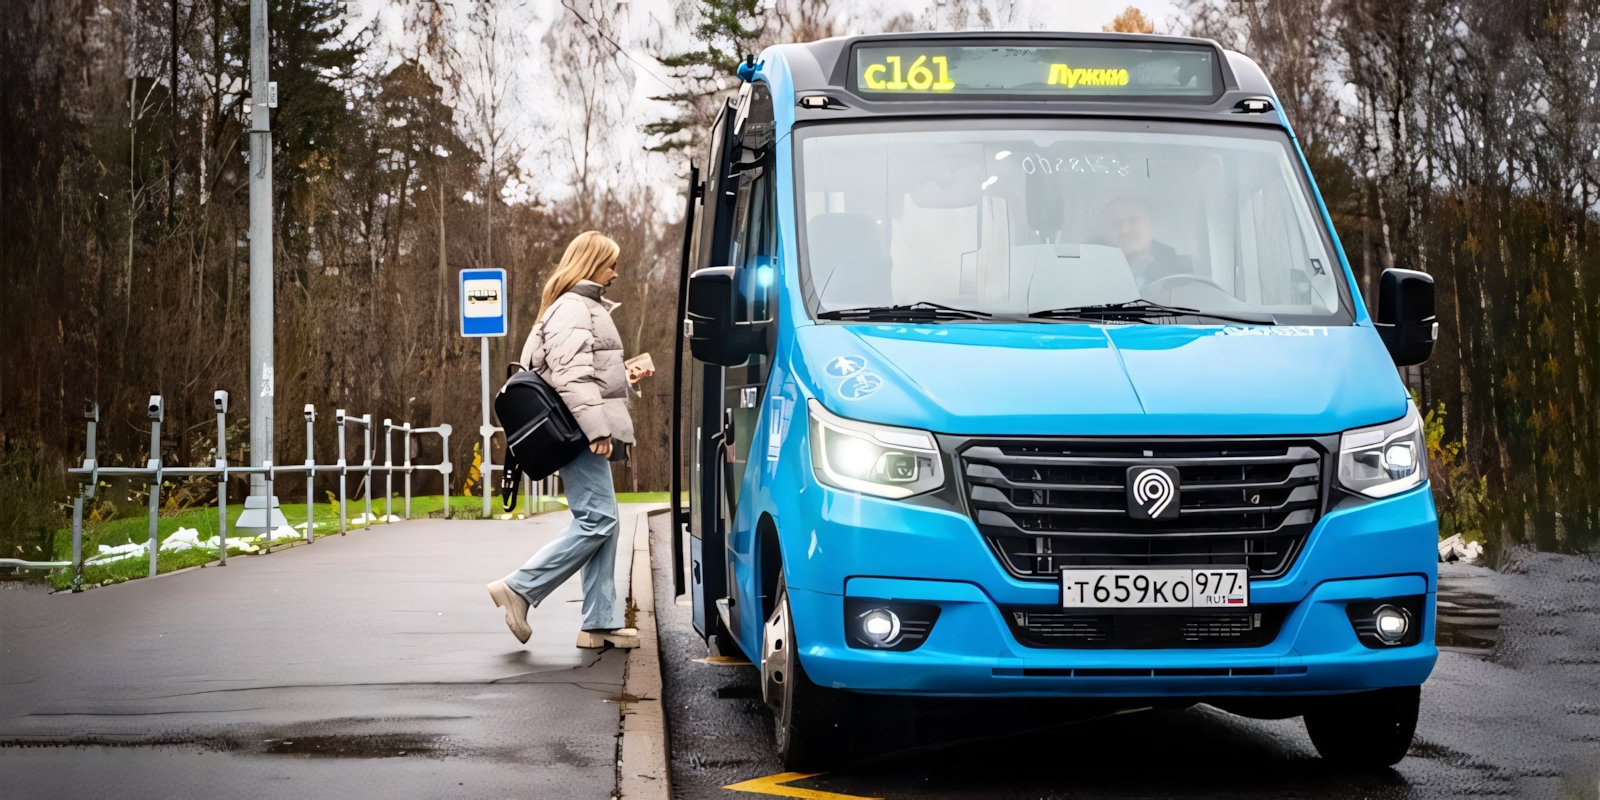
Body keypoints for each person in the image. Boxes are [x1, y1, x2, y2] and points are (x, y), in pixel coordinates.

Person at [486, 231, 655, 649]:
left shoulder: (580, 307)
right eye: (609, 263)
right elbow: (570, 376)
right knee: (599, 520)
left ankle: (598, 622)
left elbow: (586, 371)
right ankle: (520, 588)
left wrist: (624, 376)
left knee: (605, 523)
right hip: (578, 430)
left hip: (578, 425)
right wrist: (598, 431)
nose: (615, 272)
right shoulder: (573, 308)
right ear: (590, 263)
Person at [1102, 196, 1193, 290]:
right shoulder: (1096, 274)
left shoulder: (1185, 271)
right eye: (1115, 224)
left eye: (1133, 220)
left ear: (1151, 224)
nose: (1125, 230)